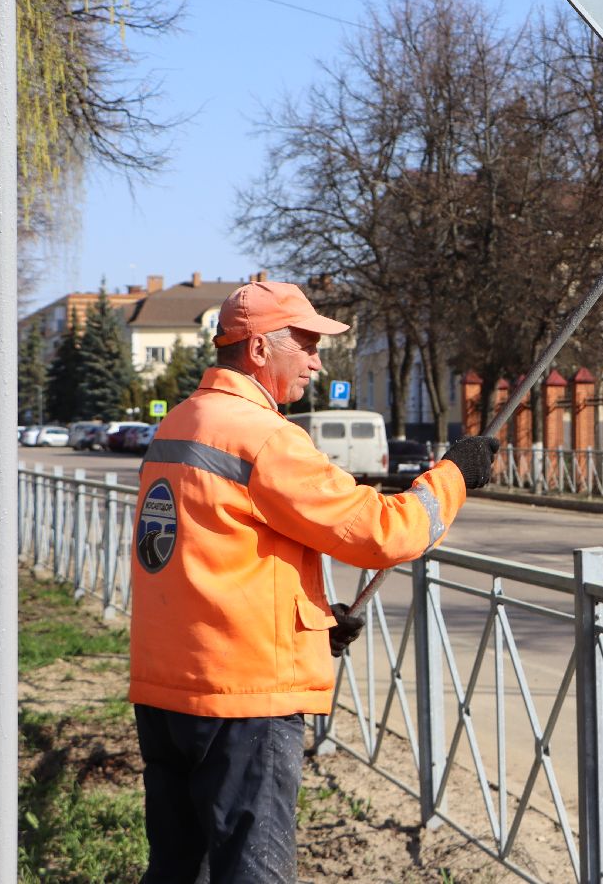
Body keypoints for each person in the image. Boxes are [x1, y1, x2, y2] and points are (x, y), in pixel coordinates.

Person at [128, 279, 498, 883]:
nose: (316, 361)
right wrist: (452, 477)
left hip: (170, 689)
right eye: (304, 344)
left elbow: (211, 561)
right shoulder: (265, 436)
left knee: (176, 871)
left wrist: (316, 620)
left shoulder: (178, 424)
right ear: (256, 350)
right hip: (244, 701)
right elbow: (383, 531)